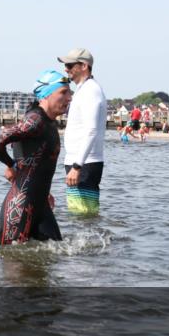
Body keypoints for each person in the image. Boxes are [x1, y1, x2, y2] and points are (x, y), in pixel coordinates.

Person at [0, 70, 71, 245]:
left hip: (41, 205)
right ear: (46, 95)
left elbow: (34, 160)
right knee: (11, 258)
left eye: (70, 92)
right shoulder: (35, 120)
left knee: (57, 253)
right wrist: (11, 165)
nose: (69, 98)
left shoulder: (47, 121)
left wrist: (44, 192)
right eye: (63, 92)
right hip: (20, 207)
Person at [57, 48, 106, 215]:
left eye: (70, 65)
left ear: (84, 66)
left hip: (84, 163)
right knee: (78, 214)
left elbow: (91, 130)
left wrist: (77, 166)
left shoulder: (90, 90)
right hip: (80, 161)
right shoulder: (82, 89)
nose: (66, 69)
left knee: (84, 215)